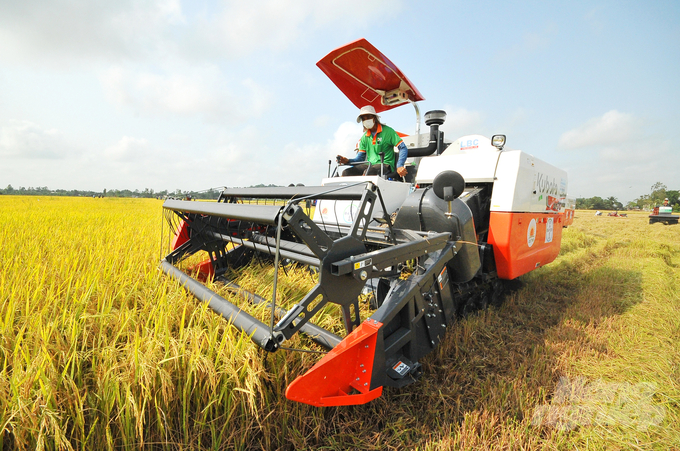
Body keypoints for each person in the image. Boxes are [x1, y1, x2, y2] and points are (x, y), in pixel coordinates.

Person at [337, 105, 408, 178]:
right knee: (346, 172)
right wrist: (348, 161)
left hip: (385, 165)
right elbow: (360, 159)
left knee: (369, 172)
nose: (366, 120)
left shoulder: (388, 132)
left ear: (374, 118)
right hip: (369, 165)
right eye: (363, 119)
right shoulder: (364, 137)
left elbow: (403, 148)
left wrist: (400, 166)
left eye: (368, 117)